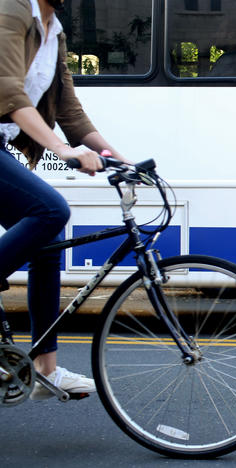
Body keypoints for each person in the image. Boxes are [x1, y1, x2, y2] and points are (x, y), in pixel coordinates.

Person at [0, 0, 127, 400]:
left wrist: (119, 159)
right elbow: (7, 88)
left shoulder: (53, 29)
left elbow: (69, 109)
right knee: (51, 209)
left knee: (47, 242)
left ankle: (45, 371)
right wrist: (60, 148)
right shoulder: (13, 8)